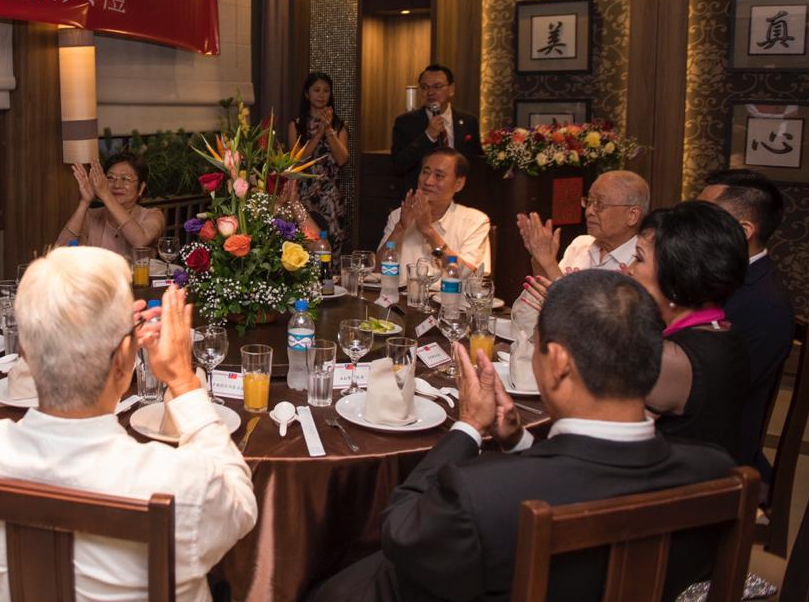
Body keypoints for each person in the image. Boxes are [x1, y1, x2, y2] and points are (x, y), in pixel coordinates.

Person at [309, 270, 736, 602]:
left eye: (536, 343)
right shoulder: (716, 473)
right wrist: (518, 442)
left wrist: (468, 427)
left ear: (559, 363)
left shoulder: (482, 496)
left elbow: (401, 533)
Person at [0, 246, 256, 601]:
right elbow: (241, 505)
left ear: (25, 351)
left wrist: (109, 335)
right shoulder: (177, 484)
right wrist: (183, 381)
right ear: (123, 362)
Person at [627, 201, 750, 459]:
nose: (629, 269)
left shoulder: (671, 360)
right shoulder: (724, 331)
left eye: (638, 258)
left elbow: (608, 438)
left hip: (676, 480)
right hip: (715, 471)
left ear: (674, 281)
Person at [698, 168, 794, 483]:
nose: (691, 226)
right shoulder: (717, 276)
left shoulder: (765, 305)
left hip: (717, 458)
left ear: (743, 231)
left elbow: (716, 394)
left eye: (704, 217)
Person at [510, 170, 649, 322]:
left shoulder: (642, 262)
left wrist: (549, 263)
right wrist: (539, 257)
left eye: (600, 205)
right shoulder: (581, 244)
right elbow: (543, 302)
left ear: (632, 215)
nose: (589, 211)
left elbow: (589, 325)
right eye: (588, 202)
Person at [376, 148, 490, 275]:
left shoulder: (475, 222)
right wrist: (400, 228)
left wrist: (429, 232)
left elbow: (471, 277)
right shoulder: (399, 215)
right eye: (425, 172)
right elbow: (377, 271)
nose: (428, 181)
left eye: (439, 176)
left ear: (458, 184)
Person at [55, 151, 166, 262]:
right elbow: (60, 250)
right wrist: (84, 202)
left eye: (125, 179)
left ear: (141, 188)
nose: (117, 185)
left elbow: (140, 242)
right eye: (110, 178)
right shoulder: (91, 216)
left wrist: (105, 194)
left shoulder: (153, 215)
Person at [287, 72, 350, 257]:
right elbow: (297, 160)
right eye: (316, 90)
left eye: (326, 91)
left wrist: (328, 129)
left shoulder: (339, 125)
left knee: (332, 246)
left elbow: (342, 159)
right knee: (305, 246)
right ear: (307, 94)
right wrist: (318, 133)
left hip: (330, 196)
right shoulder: (296, 125)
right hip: (304, 195)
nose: (321, 95)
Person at [390, 64, 481, 186]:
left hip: (460, 191)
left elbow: (477, 161)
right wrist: (428, 136)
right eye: (424, 87)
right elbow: (398, 165)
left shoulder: (469, 122)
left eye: (437, 87)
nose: (430, 92)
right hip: (422, 191)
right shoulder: (405, 122)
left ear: (451, 89)